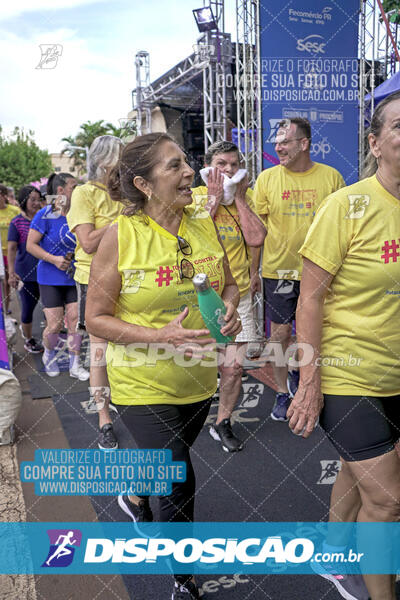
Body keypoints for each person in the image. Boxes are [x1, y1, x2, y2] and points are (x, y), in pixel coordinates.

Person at [85, 132, 241, 600]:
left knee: (163, 465)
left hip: (197, 377)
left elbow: (230, 284)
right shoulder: (119, 236)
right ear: (145, 184)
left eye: (186, 162)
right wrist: (159, 335)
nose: (190, 171)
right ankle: (184, 579)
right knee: (177, 472)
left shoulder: (202, 223)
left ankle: (134, 493)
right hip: (140, 379)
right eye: (174, 166)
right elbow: (94, 317)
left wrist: (229, 308)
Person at [288, 91, 400, 600]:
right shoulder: (346, 206)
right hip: (349, 370)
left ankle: (334, 552)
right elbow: (308, 300)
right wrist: (309, 382)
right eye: (399, 126)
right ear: (375, 144)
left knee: (366, 472)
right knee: (389, 500)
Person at [253, 117, 345, 422]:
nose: (278, 147)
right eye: (276, 142)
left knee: (317, 333)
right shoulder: (266, 179)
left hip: (321, 270)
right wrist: (253, 272)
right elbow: (256, 232)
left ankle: (309, 380)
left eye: (285, 142)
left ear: (304, 144)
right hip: (279, 272)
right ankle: (282, 392)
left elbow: (343, 228)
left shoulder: (331, 178)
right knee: (278, 336)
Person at [192, 141, 266, 452]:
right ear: (209, 167)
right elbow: (193, 234)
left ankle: (223, 421)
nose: (229, 171)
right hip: (200, 294)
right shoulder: (194, 197)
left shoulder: (243, 199)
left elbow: (257, 237)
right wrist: (212, 199)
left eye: (234, 165)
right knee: (195, 361)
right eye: (222, 164)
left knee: (234, 366)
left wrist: (241, 199)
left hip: (239, 295)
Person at [67, 135, 124, 450]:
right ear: (104, 161)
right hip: (95, 280)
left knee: (128, 346)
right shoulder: (83, 194)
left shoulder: (126, 193)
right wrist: (121, 221)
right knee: (100, 352)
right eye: (120, 157)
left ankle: (124, 401)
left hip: (128, 277)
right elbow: (87, 242)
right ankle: (104, 419)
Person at [26, 173, 89, 381]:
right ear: (60, 191)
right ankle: (49, 355)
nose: (77, 190)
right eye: (74, 186)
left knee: (75, 321)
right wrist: (53, 259)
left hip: (74, 276)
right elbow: (30, 245)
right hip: (49, 277)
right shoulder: (45, 214)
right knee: (54, 326)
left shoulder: (80, 214)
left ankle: (75, 364)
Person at [7, 186, 43, 353]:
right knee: (28, 308)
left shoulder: (44, 218)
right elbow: (12, 249)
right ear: (23, 201)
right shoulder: (16, 222)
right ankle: (28, 339)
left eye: (38, 199)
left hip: (47, 271)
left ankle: (53, 335)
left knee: (51, 307)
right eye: (32, 200)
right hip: (26, 274)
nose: (36, 203)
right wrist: (11, 272)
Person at [0, 184, 20, 314]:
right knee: (3, 284)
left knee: (10, 282)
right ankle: (4, 311)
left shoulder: (14, 211)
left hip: (13, 253)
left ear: (3, 196)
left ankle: (7, 310)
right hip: (0, 255)